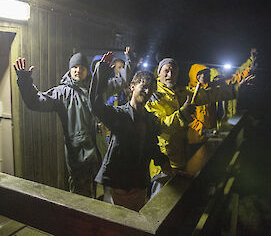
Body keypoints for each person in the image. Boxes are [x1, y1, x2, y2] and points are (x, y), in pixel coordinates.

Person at [13, 52, 128, 198]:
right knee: (81, 201)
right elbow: (36, 101)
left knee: (102, 199)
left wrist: (128, 60)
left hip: (99, 155)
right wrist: (24, 81)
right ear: (70, 69)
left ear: (87, 70)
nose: (78, 70)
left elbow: (121, 81)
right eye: (74, 67)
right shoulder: (63, 92)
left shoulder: (97, 90)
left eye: (82, 67)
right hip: (78, 158)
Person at [145, 58, 244, 197]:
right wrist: (182, 114)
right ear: (159, 73)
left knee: (175, 199)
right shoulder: (152, 96)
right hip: (162, 162)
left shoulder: (181, 92)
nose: (169, 74)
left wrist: (235, 89)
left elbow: (208, 95)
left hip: (181, 157)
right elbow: (160, 127)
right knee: (159, 201)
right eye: (166, 71)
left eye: (173, 72)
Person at [89, 66, 173, 211]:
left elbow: (152, 147)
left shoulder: (150, 120)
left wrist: (163, 162)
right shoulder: (119, 114)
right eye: (144, 87)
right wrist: (100, 76)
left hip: (138, 182)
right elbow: (96, 106)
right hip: (117, 182)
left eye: (150, 89)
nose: (147, 92)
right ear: (132, 86)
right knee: (114, 222)